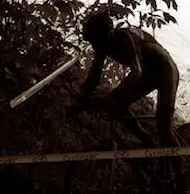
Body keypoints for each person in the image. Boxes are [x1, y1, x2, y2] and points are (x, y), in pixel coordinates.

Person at [68, 9, 180, 150]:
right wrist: (80, 102)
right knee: (117, 106)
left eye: (94, 41)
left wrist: (113, 95)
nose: (93, 46)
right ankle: (148, 142)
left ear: (104, 36)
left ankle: (181, 165)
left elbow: (136, 72)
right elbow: (93, 77)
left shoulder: (125, 38)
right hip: (148, 74)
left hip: (166, 71)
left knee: (164, 126)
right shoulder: (102, 45)